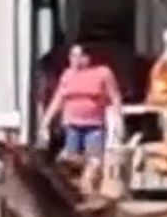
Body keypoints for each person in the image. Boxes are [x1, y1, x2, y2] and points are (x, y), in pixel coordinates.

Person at [40, 43, 122, 197]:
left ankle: (90, 192)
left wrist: (117, 119)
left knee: (94, 161)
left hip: (94, 125)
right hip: (72, 125)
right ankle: (72, 194)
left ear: (87, 58)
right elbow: (59, 98)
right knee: (71, 162)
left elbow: (114, 96)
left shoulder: (102, 73)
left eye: (78, 56)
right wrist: (46, 121)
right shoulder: (67, 75)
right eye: (71, 56)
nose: (74, 60)